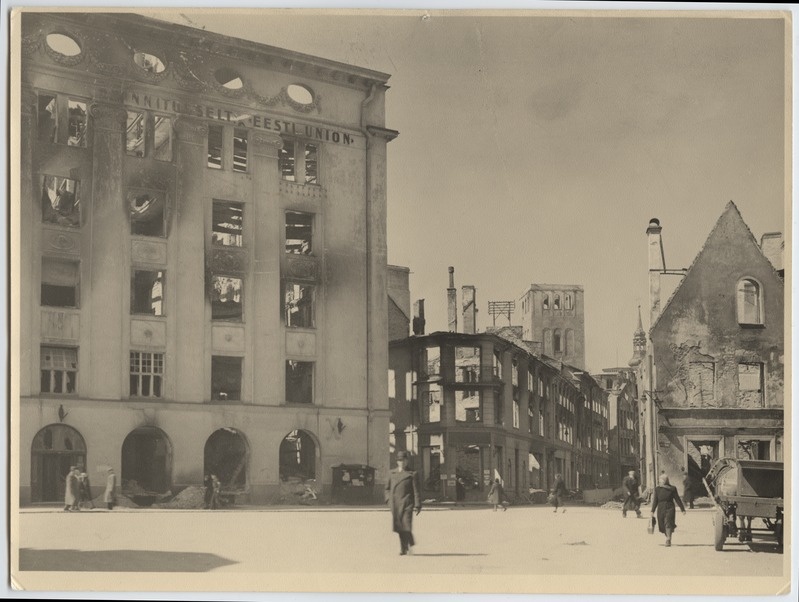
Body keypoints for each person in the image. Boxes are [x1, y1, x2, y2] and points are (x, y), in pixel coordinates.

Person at [385, 451, 421, 555]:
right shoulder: (391, 473)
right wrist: (388, 500)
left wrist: (418, 504)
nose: (402, 462)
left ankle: (409, 544)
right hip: (395, 505)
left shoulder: (413, 474)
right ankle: (404, 548)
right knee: (400, 528)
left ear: (407, 461)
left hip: (407, 504)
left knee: (406, 526)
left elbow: (416, 490)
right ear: (397, 462)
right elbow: (386, 489)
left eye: (404, 460)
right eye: (400, 460)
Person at [650, 473, 686, 547]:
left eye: (661, 480)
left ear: (665, 480)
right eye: (659, 480)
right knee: (662, 524)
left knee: (668, 522)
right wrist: (652, 511)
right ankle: (667, 536)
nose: (660, 481)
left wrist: (682, 509)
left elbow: (677, 499)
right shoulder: (657, 489)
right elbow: (655, 501)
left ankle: (668, 539)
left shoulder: (672, 488)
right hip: (660, 508)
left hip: (670, 507)